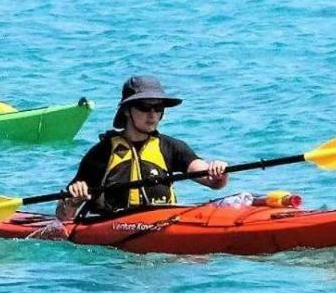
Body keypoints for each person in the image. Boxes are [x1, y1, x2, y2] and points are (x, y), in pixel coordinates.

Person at [57, 75, 230, 220]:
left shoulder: (171, 147)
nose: (152, 114)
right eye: (144, 107)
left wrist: (218, 172)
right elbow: (63, 217)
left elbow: (212, 181)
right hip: (113, 239)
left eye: (158, 107)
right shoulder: (101, 153)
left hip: (163, 225)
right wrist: (73, 201)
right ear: (126, 111)